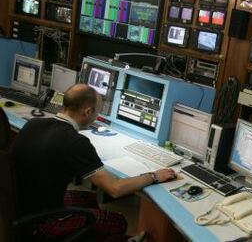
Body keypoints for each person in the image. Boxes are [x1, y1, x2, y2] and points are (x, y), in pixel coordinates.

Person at [11, 84, 176, 241]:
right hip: (41, 223)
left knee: (87, 199)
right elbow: (115, 189)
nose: (97, 116)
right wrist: (154, 176)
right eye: (97, 112)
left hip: (19, 207)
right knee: (117, 221)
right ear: (87, 112)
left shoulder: (34, 124)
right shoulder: (75, 141)